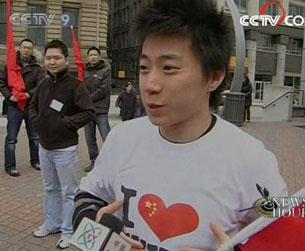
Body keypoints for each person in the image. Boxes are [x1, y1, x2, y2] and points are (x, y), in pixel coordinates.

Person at [73, 1, 287, 250]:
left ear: (214, 76)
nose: (150, 85)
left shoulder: (253, 160)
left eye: (169, 68)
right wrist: (96, 231)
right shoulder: (122, 138)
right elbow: (88, 194)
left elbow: (287, 234)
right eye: (144, 68)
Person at [29, 40, 94, 249]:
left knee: (69, 191)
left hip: (65, 149)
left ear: (66, 59)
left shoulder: (76, 85)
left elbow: (88, 112)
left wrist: (65, 123)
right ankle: (52, 223)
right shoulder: (43, 84)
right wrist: (36, 120)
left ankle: (68, 230)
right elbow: (32, 106)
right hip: (45, 147)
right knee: (50, 189)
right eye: (48, 58)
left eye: (57, 57)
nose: (52, 61)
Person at [0, 38, 44, 177]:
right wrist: (8, 96)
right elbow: (1, 82)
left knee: (34, 137)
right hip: (14, 106)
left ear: (32, 50)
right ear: (19, 48)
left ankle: (36, 161)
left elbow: (41, 86)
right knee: (11, 138)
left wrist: (27, 94)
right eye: (24, 47)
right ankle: (10, 166)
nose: (27, 50)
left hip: (30, 106)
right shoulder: (10, 65)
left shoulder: (37, 68)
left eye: (29, 48)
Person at [83, 46, 111, 172]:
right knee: (90, 138)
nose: (93, 57)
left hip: (100, 110)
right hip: (87, 110)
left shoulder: (105, 70)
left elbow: (103, 90)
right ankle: (94, 161)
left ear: (99, 56)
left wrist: (87, 98)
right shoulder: (84, 70)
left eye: (95, 55)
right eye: (91, 55)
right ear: (88, 57)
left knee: (107, 137)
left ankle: (111, 161)